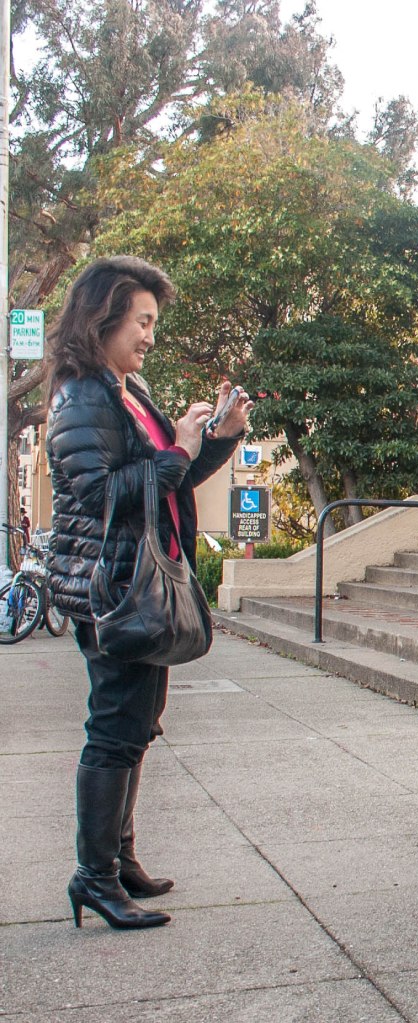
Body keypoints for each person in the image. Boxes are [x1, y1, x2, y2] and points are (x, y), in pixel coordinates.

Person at [45, 256, 253, 930]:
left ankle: (119, 857)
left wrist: (216, 438)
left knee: (137, 722)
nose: (150, 336)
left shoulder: (124, 388)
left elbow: (170, 476)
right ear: (102, 318)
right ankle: (94, 876)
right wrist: (175, 453)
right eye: (142, 321)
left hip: (143, 580)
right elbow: (104, 493)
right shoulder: (82, 397)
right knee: (113, 729)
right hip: (112, 587)